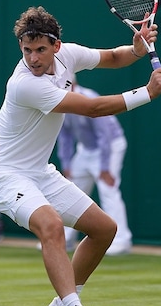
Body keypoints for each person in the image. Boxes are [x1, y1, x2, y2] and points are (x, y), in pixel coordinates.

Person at [0, 6, 161, 306]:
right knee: (51, 225)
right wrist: (147, 92)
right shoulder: (24, 85)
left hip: (39, 172)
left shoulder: (69, 55)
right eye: (27, 50)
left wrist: (138, 49)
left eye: (40, 49)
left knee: (104, 229)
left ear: (56, 45)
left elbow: (114, 57)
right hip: (4, 176)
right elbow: (94, 109)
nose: (33, 58)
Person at [56, 78, 134, 256]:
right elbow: (65, 136)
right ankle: (64, 238)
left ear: (72, 84)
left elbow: (104, 135)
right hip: (85, 149)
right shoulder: (59, 101)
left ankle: (122, 241)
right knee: (70, 190)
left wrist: (105, 168)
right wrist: (66, 164)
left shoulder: (90, 98)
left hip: (110, 147)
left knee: (108, 190)